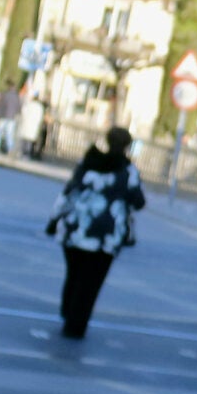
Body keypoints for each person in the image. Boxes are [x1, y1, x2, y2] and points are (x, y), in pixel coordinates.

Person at [44, 127, 144, 339]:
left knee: (74, 274)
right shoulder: (128, 171)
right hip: (106, 235)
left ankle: (67, 311)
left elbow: (70, 191)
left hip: (76, 229)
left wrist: (54, 219)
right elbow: (138, 201)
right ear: (127, 146)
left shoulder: (88, 162)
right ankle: (76, 325)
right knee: (92, 283)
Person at [0, 81, 23, 155]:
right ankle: (10, 149)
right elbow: (19, 109)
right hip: (11, 118)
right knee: (9, 134)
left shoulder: (5, 95)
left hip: (3, 116)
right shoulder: (17, 97)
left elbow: (0, 107)